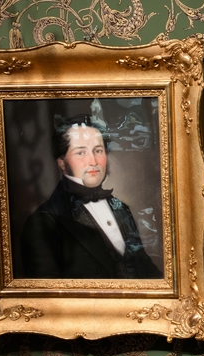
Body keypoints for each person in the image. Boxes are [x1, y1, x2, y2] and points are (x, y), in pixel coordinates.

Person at [20, 116, 162, 279]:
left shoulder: (122, 208)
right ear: (62, 162)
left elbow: (146, 269)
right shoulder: (43, 223)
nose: (93, 161)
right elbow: (48, 293)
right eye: (80, 152)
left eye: (98, 151)